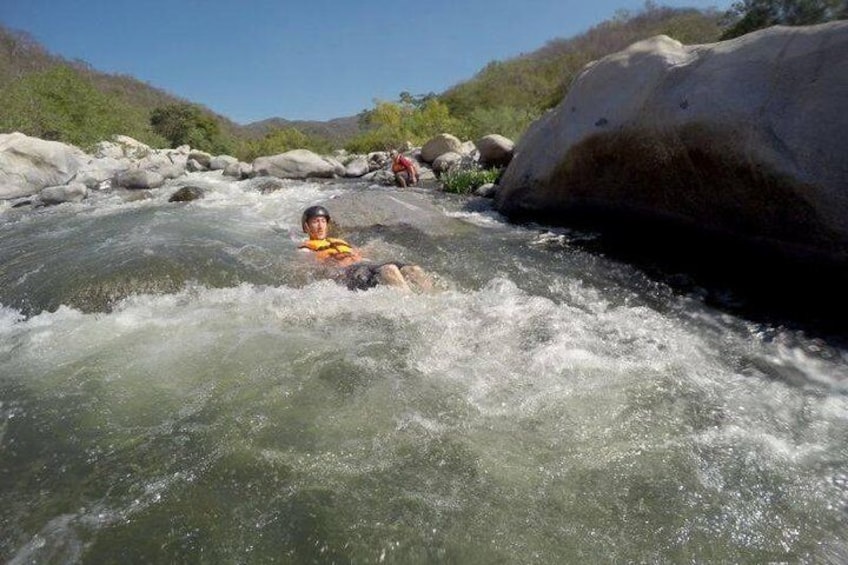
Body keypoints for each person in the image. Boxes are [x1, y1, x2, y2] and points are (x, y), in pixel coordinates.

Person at [299, 205, 432, 291]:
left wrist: (372, 247)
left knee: (414, 269)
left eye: (323, 221)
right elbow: (310, 268)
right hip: (347, 273)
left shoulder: (339, 242)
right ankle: (413, 308)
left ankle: (434, 298)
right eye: (316, 221)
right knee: (389, 270)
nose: (320, 225)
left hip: (366, 265)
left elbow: (358, 252)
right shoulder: (306, 249)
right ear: (306, 226)